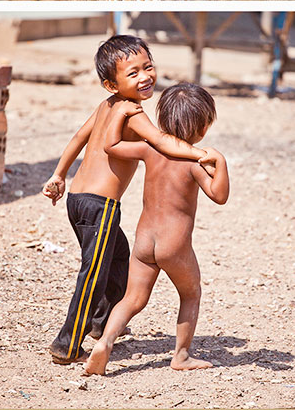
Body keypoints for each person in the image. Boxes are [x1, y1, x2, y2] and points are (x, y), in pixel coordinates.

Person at [41, 36, 215, 365]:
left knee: (119, 258)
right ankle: (67, 343)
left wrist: (59, 175)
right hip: (101, 205)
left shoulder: (107, 106)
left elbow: (79, 138)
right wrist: (199, 153)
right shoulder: (133, 112)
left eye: (148, 67)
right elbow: (162, 141)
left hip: (77, 199)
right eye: (133, 73)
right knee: (93, 273)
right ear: (111, 83)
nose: (145, 77)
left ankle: (101, 323)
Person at [85, 84, 229, 374]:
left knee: (133, 298)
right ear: (203, 128)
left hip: (144, 240)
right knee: (191, 293)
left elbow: (111, 145)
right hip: (173, 245)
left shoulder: (150, 148)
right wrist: (221, 162)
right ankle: (181, 356)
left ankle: (106, 343)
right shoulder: (194, 159)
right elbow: (220, 195)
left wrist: (120, 115)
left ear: (162, 120)